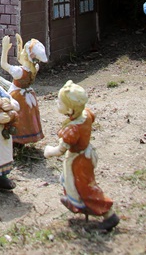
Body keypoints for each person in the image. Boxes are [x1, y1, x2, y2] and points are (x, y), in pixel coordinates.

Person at [43, 80, 119, 231]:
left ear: (70, 109)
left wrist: (48, 151)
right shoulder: (86, 114)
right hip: (86, 153)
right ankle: (75, 202)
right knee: (69, 181)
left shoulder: (72, 130)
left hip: (78, 161)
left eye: (60, 102)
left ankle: (108, 214)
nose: (57, 103)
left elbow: (60, 150)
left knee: (84, 187)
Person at [0, 34, 47, 146]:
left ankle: (16, 139)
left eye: (22, 52)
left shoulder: (19, 71)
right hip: (28, 94)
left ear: (26, 56)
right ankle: (28, 136)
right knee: (28, 117)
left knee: (17, 116)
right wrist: (20, 46)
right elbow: (22, 60)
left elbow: (3, 64)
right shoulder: (34, 68)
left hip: (17, 95)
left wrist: (5, 49)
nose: (20, 53)